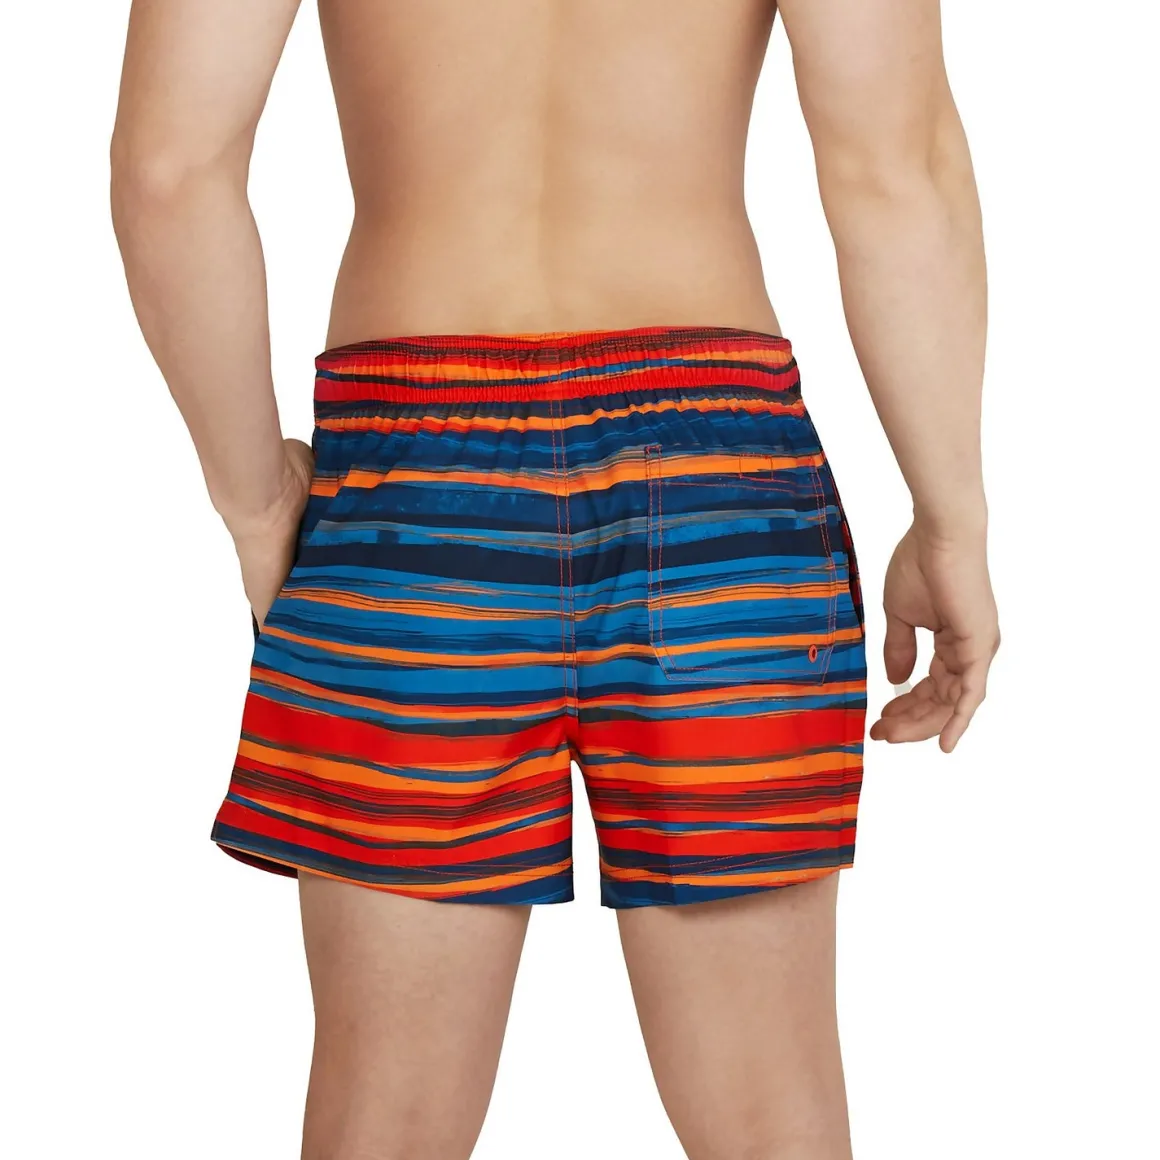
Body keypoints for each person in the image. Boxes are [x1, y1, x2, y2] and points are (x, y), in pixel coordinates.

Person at [110, 0, 999, 1155]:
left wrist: (257, 499)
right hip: (712, 490)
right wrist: (949, 518)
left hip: (415, 491)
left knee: (385, 1118)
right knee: (767, 1113)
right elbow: (893, 169)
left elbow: (169, 171)